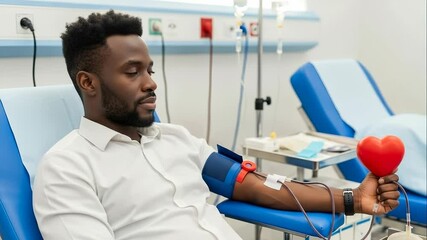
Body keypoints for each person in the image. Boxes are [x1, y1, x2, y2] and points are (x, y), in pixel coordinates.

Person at [32, 10, 400, 240]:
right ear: (88, 83)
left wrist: (354, 199)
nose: (151, 83)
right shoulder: (67, 168)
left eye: (150, 70)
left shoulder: (176, 139)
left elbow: (255, 187)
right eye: (133, 72)